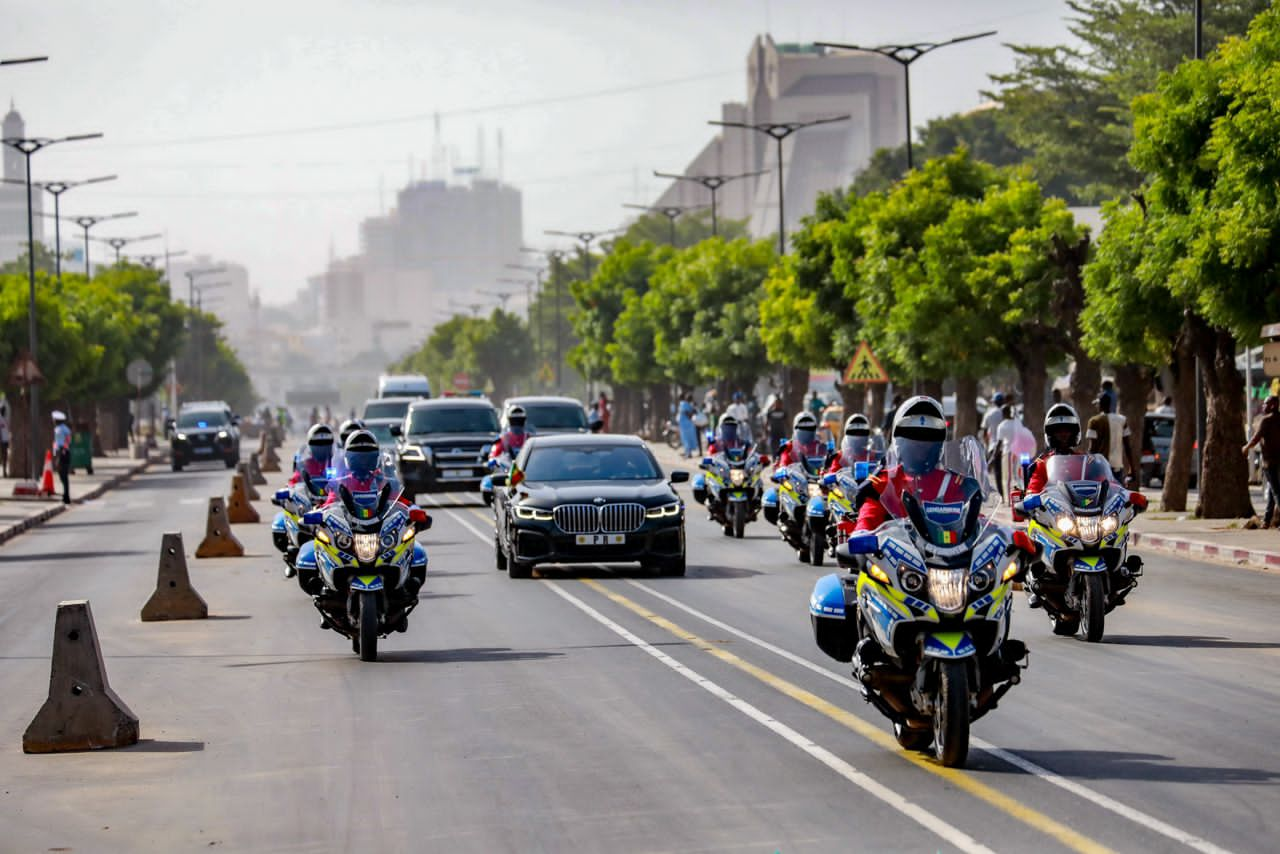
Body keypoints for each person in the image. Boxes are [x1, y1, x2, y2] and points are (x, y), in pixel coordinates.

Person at [855, 396, 955, 532]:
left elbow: (972, 518)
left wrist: (988, 530)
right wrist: (862, 532)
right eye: (913, 437)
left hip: (949, 551)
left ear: (939, 444)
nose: (920, 444)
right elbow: (868, 516)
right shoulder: (883, 481)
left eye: (928, 438)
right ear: (899, 443)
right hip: (895, 551)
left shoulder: (951, 483)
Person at [1024, 403, 1083, 496]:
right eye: (1059, 431)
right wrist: (1033, 496)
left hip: (1083, 505)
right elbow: (1033, 489)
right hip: (1055, 508)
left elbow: (1102, 481)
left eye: (1067, 430)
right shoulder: (1043, 464)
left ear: (1074, 433)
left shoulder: (1083, 460)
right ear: (1051, 435)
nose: (1063, 435)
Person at [1244, 395, 1280, 527]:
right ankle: (1266, 520)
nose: (1263, 407)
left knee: (1276, 491)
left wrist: (1246, 447)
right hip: (1278, 460)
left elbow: (1256, 438)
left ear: (1271, 406)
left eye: (1265, 404)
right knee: (1271, 489)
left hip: (1269, 461)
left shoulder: (1266, 421)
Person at [1086, 394, 1137, 485]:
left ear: (1101, 405)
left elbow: (1092, 448)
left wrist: (1087, 467)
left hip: (1099, 467)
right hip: (1117, 467)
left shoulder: (1094, 421)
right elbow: (1127, 447)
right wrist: (1132, 468)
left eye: (1098, 404)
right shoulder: (1122, 420)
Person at [288, 424, 336, 494]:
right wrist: (290, 489)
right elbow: (293, 482)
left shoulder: (334, 463)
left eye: (325, 442)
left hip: (332, 499)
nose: (322, 446)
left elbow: (345, 483)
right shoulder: (306, 464)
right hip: (310, 499)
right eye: (318, 443)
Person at [52, 410, 72, 505]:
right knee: (64, 475)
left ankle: (66, 496)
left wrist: (57, 456)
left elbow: (60, 444)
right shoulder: (66, 429)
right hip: (65, 452)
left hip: (62, 452)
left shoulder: (59, 430)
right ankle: (66, 494)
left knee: (62, 475)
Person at [677, 393, 699, 459]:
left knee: (686, 439)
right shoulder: (689, 405)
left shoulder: (683, 404)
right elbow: (694, 412)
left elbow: (687, 413)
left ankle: (688, 453)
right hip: (688, 424)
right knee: (688, 439)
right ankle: (688, 452)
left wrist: (689, 415)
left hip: (685, 424)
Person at [0, 404, 9, 478]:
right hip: (1, 439)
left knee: (5, 455)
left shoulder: (6, 418)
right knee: (3, 455)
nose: (3, 411)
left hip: (5, 439)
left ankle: (4, 471)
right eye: (2, 409)